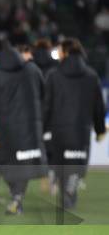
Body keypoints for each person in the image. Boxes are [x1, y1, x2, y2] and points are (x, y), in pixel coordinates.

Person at [0, 38, 47, 215]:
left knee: (8, 164)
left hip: (6, 128)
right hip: (29, 126)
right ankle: (17, 198)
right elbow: (43, 94)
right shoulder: (32, 70)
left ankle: (16, 198)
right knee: (23, 164)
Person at [44, 38, 106, 209]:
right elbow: (98, 107)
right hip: (81, 132)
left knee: (61, 166)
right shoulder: (91, 76)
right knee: (75, 168)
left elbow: (46, 106)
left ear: (65, 52)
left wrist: (42, 129)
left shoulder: (53, 75)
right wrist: (100, 129)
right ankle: (69, 192)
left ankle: (59, 182)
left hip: (59, 133)